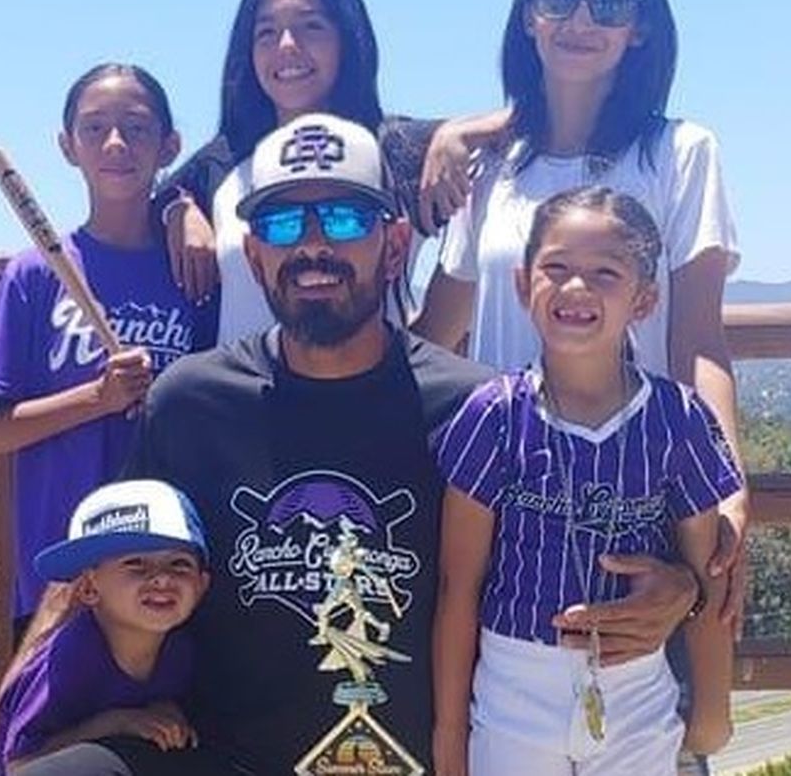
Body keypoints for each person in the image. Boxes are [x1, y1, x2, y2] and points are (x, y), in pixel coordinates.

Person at [123, 113, 701, 773]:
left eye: (344, 220)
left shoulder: (480, 412)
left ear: (396, 246)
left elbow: (582, 549)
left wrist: (685, 589)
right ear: (254, 256)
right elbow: (114, 571)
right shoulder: (190, 404)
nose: (313, 247)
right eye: (282, 225)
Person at [412, 0, 749, 770]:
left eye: (609, 2)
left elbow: (699, 339)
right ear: (528, 14)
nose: (581, 19)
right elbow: (433, 339)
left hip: (642, 500)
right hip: (503, 505)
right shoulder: (492, 169)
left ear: (642, 24)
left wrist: (731, 498)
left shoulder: (679, 154)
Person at [0, 63, 219, 773]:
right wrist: (94, 399)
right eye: (95, 128)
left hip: (163, 574)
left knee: (162, 747)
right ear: (67, 145)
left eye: (136, 128)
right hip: (66, 576)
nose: (115, 144)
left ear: (169, 145)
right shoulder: (34, 276)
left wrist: (182, 206)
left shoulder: (193, 273)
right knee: (29, 754)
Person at [432, 187, 741, 775]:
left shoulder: (678, 418)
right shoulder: (493, 416)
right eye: (556, 267)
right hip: (512, 689)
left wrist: (712, 709)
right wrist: (450, 735)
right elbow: (458, 587)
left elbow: (709, 574)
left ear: (644, 299)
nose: (576, 287)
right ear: (523, 284)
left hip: (637, 694)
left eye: (605, 273)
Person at [160, 0, 500, 332]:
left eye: (311, 27)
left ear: (347, 40)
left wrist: (456, 134)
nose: (287, 45)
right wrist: (179, 208)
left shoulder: (402, 152)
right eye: (266, 32)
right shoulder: (222, 164)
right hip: (240, 372)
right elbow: (142, 197)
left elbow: (532, 122)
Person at [0, 479, 220, 775]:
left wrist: (165, 709)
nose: (162, 578)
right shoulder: (67, 661)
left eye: (179, 564)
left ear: (201, 586)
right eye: (136, 563)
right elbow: (20, 766)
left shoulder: (182, 651)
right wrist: (117, 723)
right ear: (88, 588)